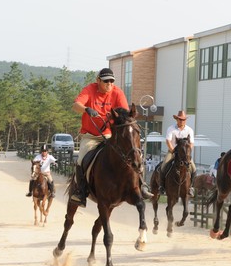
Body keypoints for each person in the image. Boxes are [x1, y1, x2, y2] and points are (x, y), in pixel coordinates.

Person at [69, 67, 153, 207]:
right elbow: (75, 105)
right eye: (106, 81)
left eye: (112, 81)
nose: (109, 84)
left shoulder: (117, 92)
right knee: (81, 158)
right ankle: (81, 191)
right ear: (98, 80)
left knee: (132, 154)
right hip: (91, 136)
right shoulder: (90, 89)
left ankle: (141, 186)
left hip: (109, 135)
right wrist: (86, 109)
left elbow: (125, 115)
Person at [158, 110, 196, 197]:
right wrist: (173, 151)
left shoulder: (189, 130)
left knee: (193, 168)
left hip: (185, 154)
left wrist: (188, 153)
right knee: (163, 166)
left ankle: (191, 188)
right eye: (180, 119)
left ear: (185, 120)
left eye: (183, 119)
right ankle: (161, 186)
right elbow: (168, 141)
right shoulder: (171, 128)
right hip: (172, 151)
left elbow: (191, 143)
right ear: (177, 119)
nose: (181, 121)